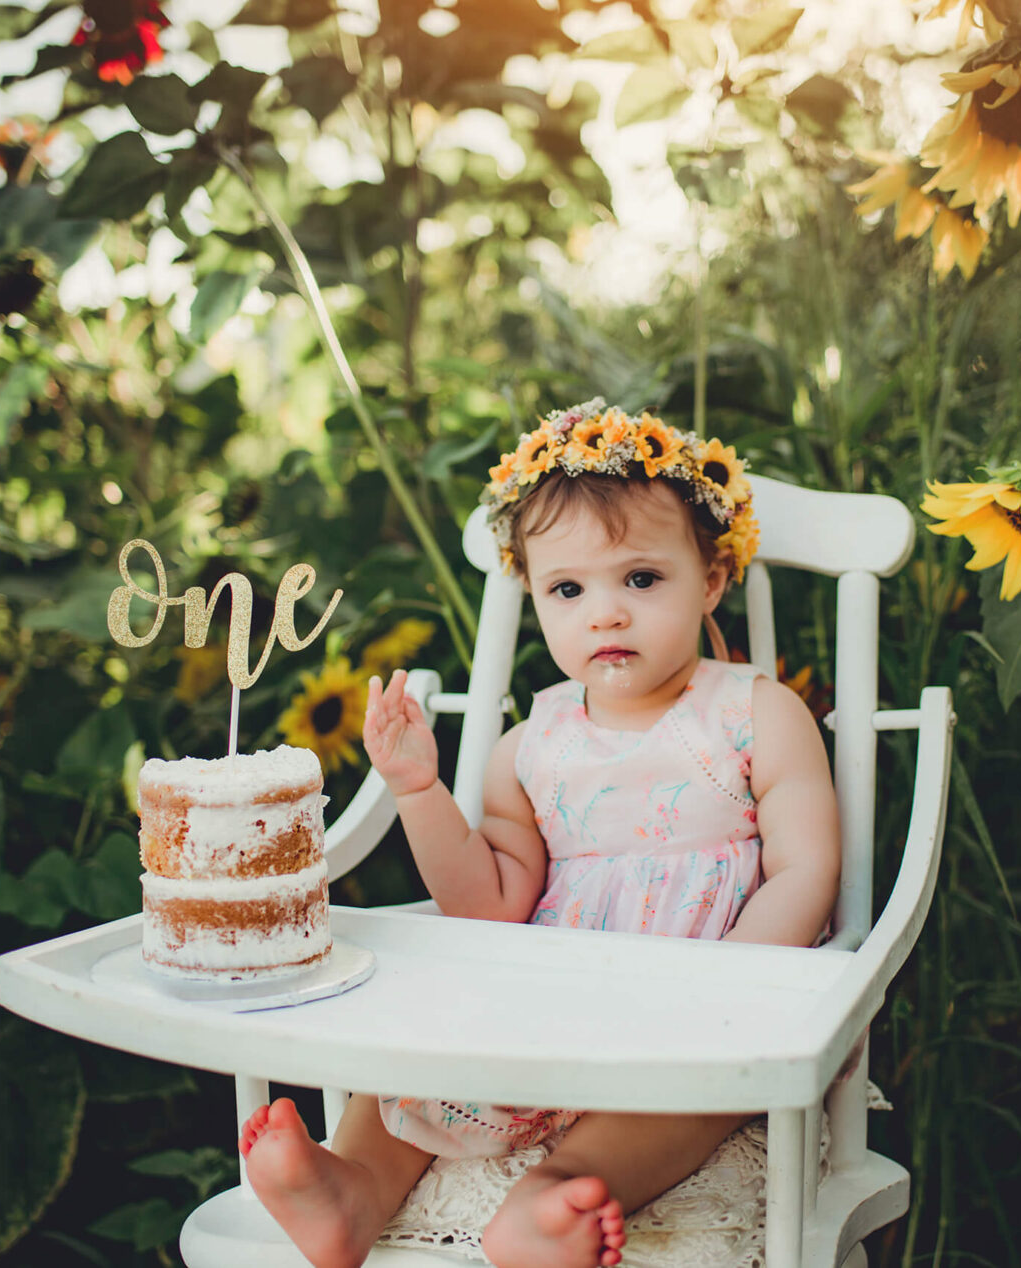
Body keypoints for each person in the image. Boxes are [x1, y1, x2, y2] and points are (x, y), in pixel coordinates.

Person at [238, 398, 842, 1268]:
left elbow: (804, 869)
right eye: (569, 589)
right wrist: (419, 790)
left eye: (641, 579)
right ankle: (352, 1190)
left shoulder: (754, 711)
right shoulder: (533, 745)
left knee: (671, 1108)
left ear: (709, 581)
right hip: (545, 1001)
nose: (605, 613)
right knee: (422, 1049)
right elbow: (487, 904)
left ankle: (547, 1203)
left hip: (696, 1004)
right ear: (537, 596)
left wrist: (726, 990)